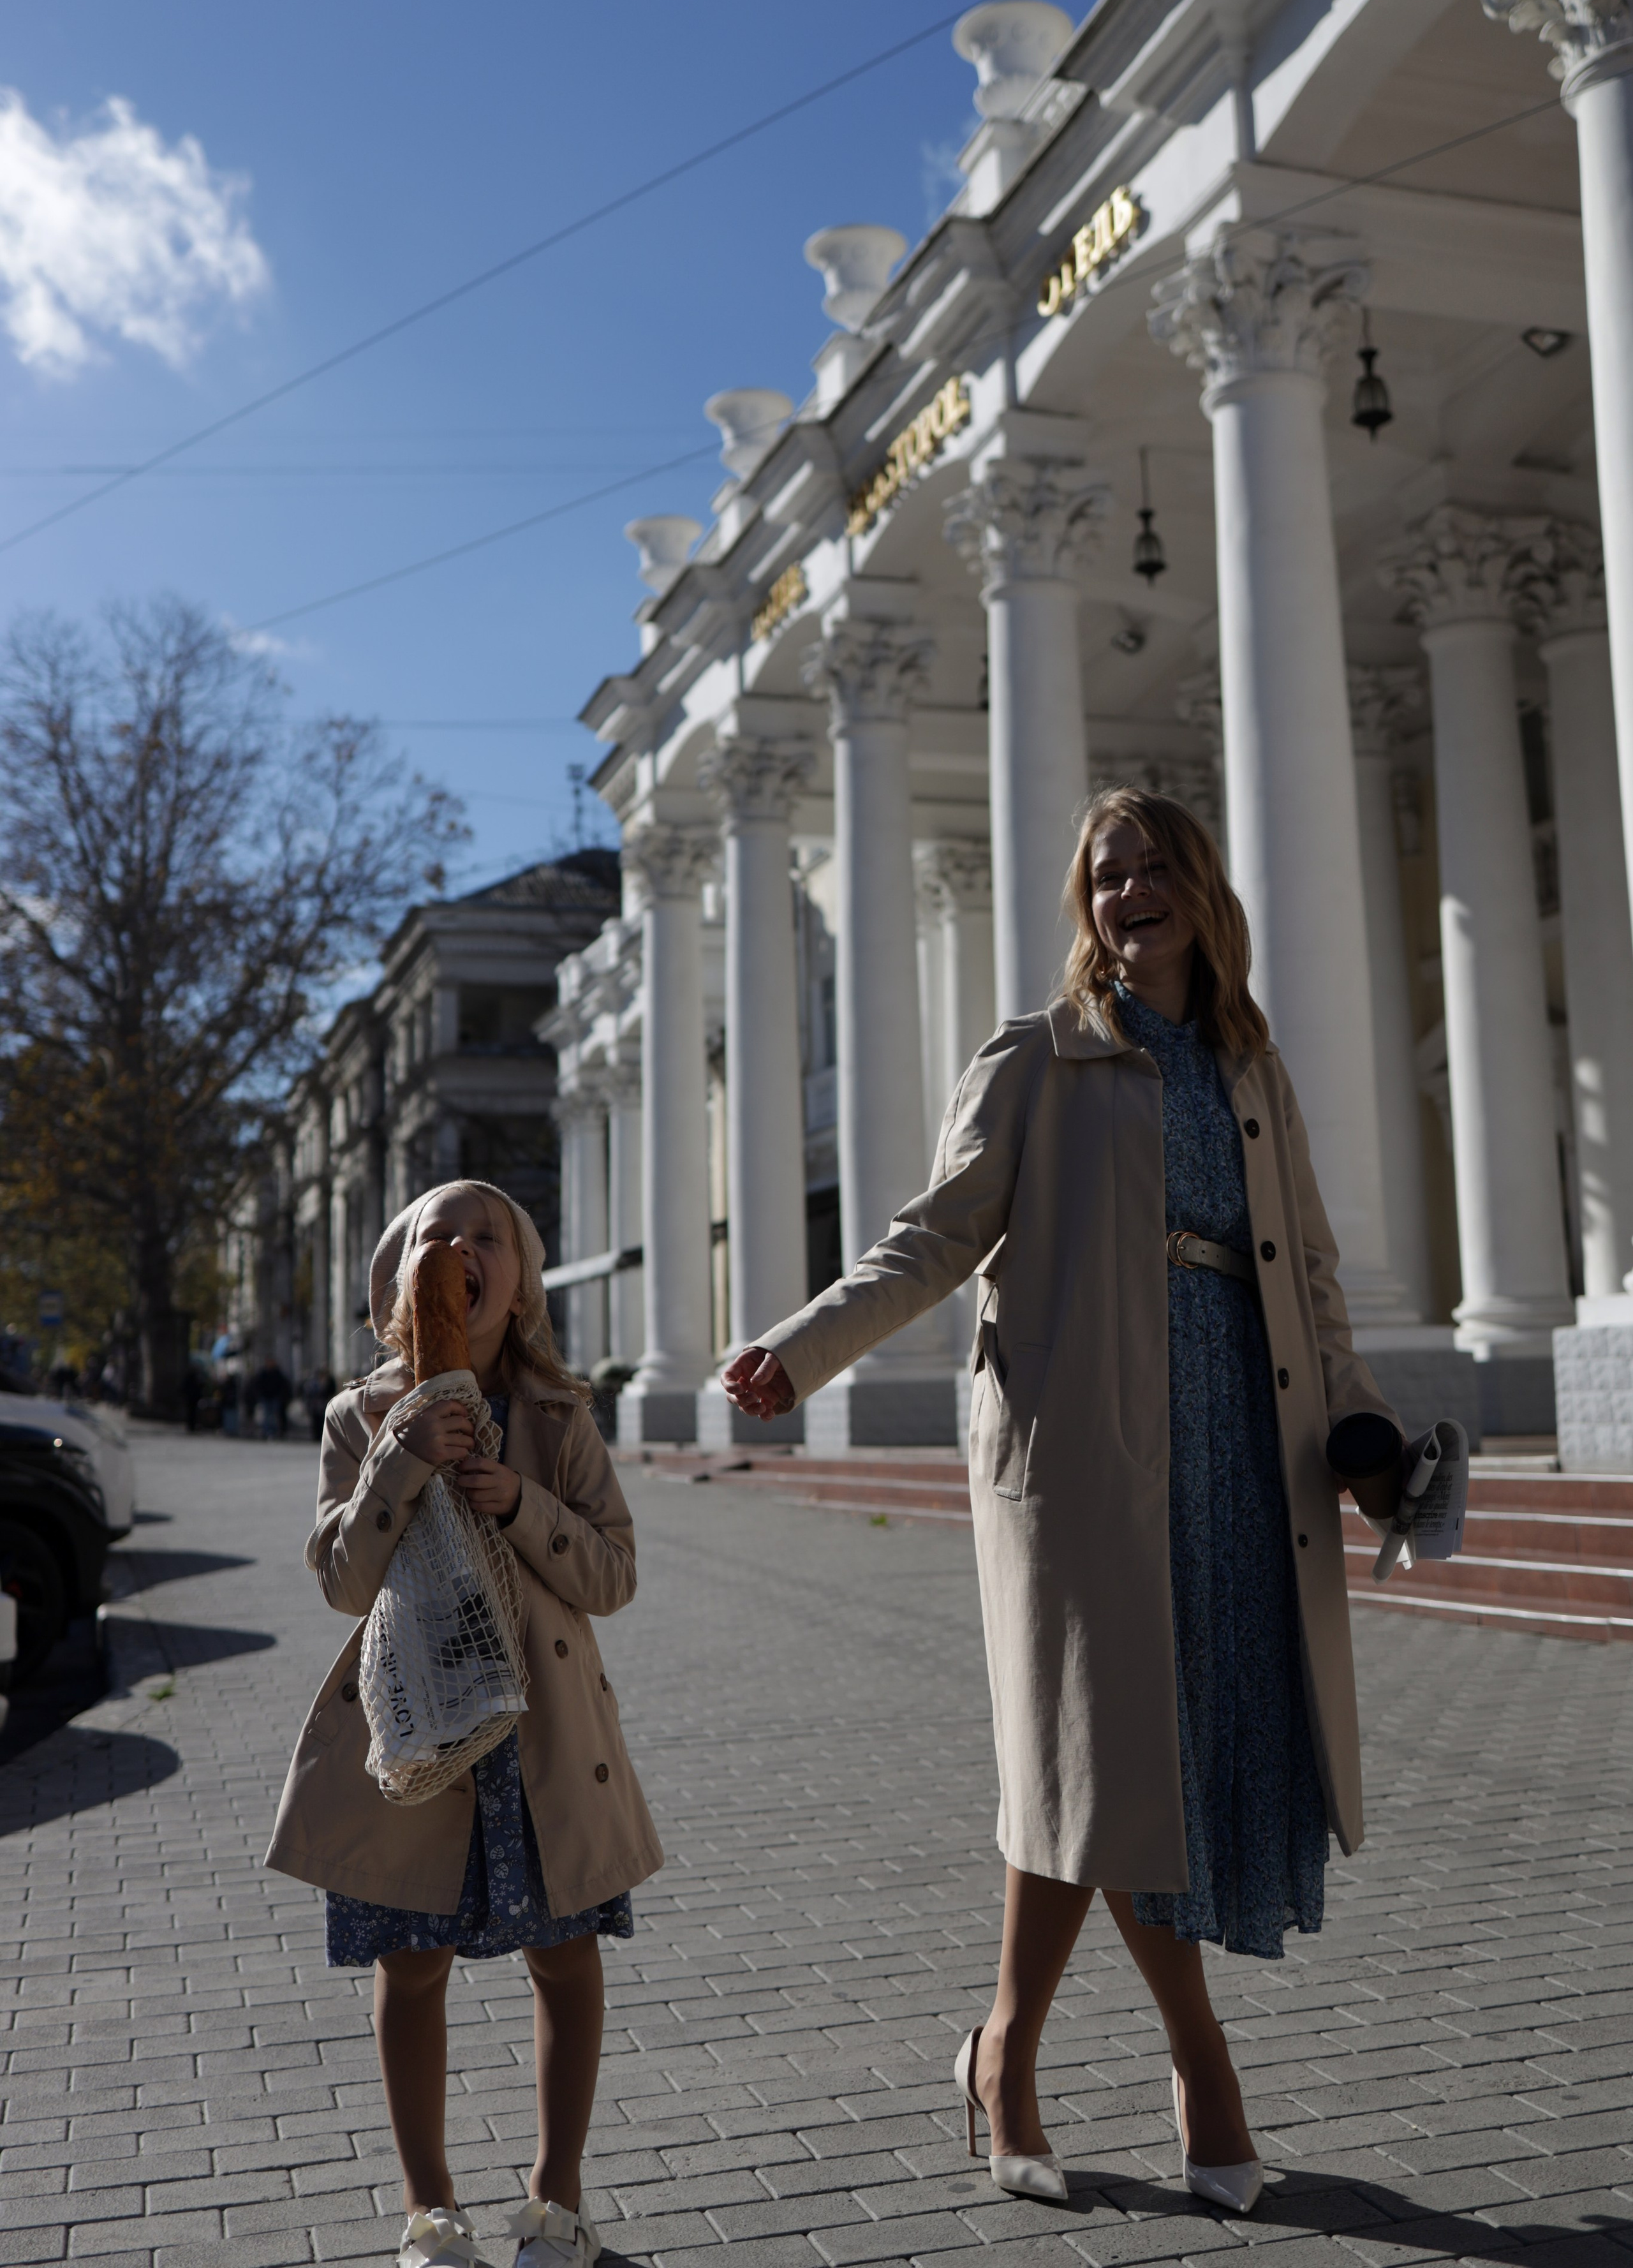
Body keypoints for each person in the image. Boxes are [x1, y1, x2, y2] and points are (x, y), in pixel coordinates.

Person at [723, 787, 1401, 2216]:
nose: (1130, 891)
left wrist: (1356, 1421)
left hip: (1238, 1438)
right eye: (1106, 875)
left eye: (1155, 866)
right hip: (1082, 1445)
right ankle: (1191, 2070)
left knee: (1149, 1762)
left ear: (1199, 890)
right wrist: (798, 1350)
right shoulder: (1036, 1058)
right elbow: (932, 1237)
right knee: (1098, 1763)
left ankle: (1002, 2052)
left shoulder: (1247, 1067)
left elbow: (1311, 1274)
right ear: (1083, 909)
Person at [266, 1180, 663, 2268]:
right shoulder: (359, 1415)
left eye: (489, 1236)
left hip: (542, 1735)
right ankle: (429, 2207)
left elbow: (616, 1573)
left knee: (566, 1956)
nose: (462, 1248)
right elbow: (344, 1582)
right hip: (419, 1738)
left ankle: (557, 2199)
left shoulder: (556, 1414)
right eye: (438, 1235)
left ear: (522, 1284)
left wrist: (517, 1503)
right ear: (403, 1282)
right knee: (413, 1963)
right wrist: (404, 1454)